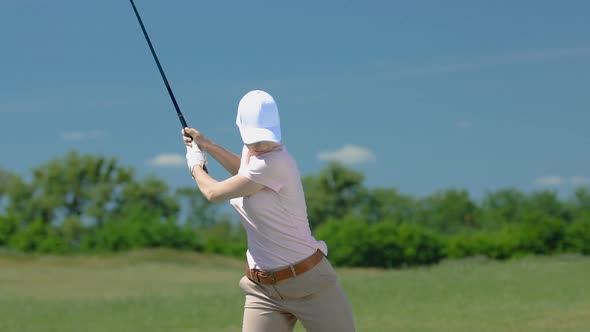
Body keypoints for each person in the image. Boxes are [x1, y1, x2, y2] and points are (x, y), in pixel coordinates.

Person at [181, 90, 356, 332]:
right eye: (254, 139)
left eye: (265, 138)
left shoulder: (277, 162)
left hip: (309, 283)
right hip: (262, 290)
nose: (261, 145)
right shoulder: (252, 155)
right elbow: (244, 172)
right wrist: (207, 145)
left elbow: (214, 193)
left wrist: (195, 165)